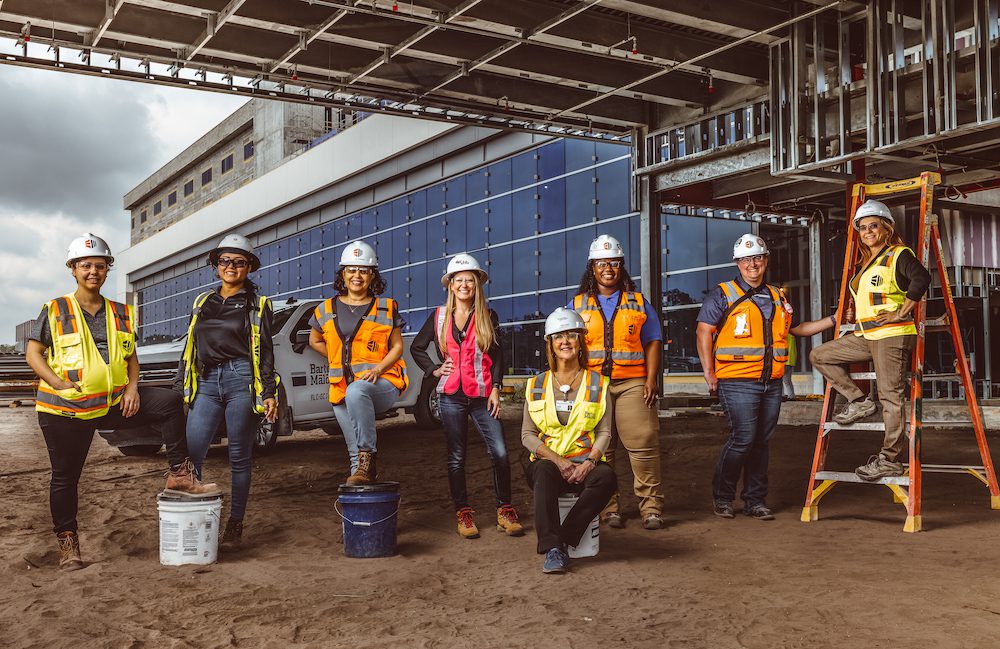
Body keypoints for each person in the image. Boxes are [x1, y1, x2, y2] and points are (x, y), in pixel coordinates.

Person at [26, 233, 218, 571]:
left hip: (111, 402)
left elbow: (130, 357)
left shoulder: (121, 312)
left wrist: (132, 389)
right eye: (85, 266)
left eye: (99, 266)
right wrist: (56, 382)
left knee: (170, 401)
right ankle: (68, 543)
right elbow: (33, 353)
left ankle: (178, 473)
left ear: (106, 270)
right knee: (66, 477)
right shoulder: (56, 309)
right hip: (66, 410)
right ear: (73, 269)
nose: (93, 272)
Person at [696, 234, 836, 520]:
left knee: (761, 440)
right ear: (738, 262)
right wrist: (709, 373)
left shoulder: (777, 295)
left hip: (770, 381)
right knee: (743, 438)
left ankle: (754, 501)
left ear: (766, 260)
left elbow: (799, 328)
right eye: (746, 259)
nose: (752, 264)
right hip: (736, 380)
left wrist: (834, 320)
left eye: (758, 257)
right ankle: (723, 497)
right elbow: (703, 332)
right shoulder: (722, 293)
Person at [809, 199, 931, 481]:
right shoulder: (866, 264)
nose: (867, 231)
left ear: (886, 228)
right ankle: (859, 400)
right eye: (863, 228)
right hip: (866, 335)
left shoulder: (898, 254)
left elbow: (921, 278)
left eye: (873, 225)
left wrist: (901, 312)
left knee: (891, 396)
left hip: (892, 336)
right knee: (820, 355)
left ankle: (889, 459)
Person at [411, 253, 523, 539]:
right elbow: (417, 348)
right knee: (457, 457)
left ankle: (505, 509)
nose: (464, 285)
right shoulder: (439, 317)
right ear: (450, 285)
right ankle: (463, 512)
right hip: (450, 396)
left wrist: (496, 387)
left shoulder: (488, 315)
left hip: (483, 395)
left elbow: (498, 354)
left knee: (499, 452)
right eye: (459, 280)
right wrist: (434, 370)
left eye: (469, 280)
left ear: (477, 284)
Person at [178, 233, 278, 552]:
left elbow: (266, 352)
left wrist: (269, 392)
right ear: (216, 266)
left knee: (239, 456)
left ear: (249, 267)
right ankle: (192, 521)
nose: (230, 267)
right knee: (192, 455)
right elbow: (190, 345)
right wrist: (181, 385)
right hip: (206, 382)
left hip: (241, 378)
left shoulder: (258, 304)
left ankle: (235, 525)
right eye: (224, 261)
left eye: (239, 261)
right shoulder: (202, 302)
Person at [569, 234, 664, 530]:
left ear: (621, 266)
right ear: (592, 268)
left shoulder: (638, 302)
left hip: (633, 381)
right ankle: (609, 509)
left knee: (643, 441)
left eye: (614, 263)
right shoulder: (577, 304)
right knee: (601, 447)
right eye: (601, 263)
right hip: (593, 385)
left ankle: (651, 508)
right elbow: (566, 346)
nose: (608, 268)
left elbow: (653, 341)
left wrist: (651, 379)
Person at [521, 308, 615, 574]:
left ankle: (560, 540)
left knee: (606, 478)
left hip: (584, 462)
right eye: (558, 336)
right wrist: (558, 460)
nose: (565, 341)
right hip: (550, 465)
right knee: (542, 472)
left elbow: (605, 432)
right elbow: (527, 435)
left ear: (581, 341)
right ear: (550, 343)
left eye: (572, 335)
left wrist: (588, 463)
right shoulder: (536, 384)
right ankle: (551, 549)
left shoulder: (597, 383)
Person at [308, 240, 408, 485]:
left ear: (372, 276)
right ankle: (364, 482)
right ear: (343, 273)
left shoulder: (386, 308)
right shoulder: (325, 309)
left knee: (357, 391)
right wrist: (338, 359)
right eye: (352, 270)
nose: (357, 275)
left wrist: (378, 369)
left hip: (382, 383)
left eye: (363, 270)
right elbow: (314, 340)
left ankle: (368, 457)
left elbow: (397, 347)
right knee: (356, 460)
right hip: (341, 387)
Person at [783, 335, 797, 401]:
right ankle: (791, 396)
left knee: (778, 380)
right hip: (791, 361)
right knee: (787, 380)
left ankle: (781, 395)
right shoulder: (792, 337)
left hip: (784, 361)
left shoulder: (785, 336)